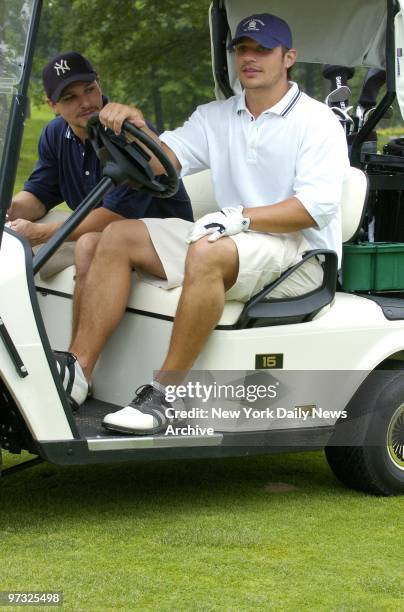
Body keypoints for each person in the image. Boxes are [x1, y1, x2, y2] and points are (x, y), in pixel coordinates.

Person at [53, 13, 350, 428]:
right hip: (232, 236)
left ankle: (164, 395)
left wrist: (240, 217)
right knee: (116, 235)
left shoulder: (317, 122)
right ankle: (78, 373)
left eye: (262, 49)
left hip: (301, 253)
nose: (249, 57)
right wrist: (135, 128)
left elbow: (311, 209)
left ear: (289, 58)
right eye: (242, 49)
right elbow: (162, 161)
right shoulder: (217, 116)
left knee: (207, 250)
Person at [8, 51, 193, 315]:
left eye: (89, 89)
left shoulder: (127, 132)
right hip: (109, 230)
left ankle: (75, 354)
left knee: (87, 245)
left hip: (161, 237)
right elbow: (39, 194)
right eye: (70, 98)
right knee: (12, 245)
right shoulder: (55, 133)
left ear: (99, 83)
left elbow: (114, 216)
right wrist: (10, 208)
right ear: (52, 104)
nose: (85, 102)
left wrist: (41, 234)